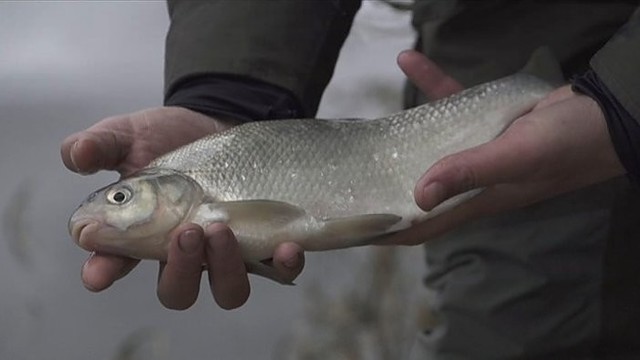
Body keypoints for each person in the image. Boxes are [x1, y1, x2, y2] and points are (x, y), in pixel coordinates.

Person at [61, 1, 640, 358]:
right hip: (497, 51)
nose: (109, 210)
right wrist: (231, 91)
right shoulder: (198, 170)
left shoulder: (200, 185)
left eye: (119, 196)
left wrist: (621, 102)